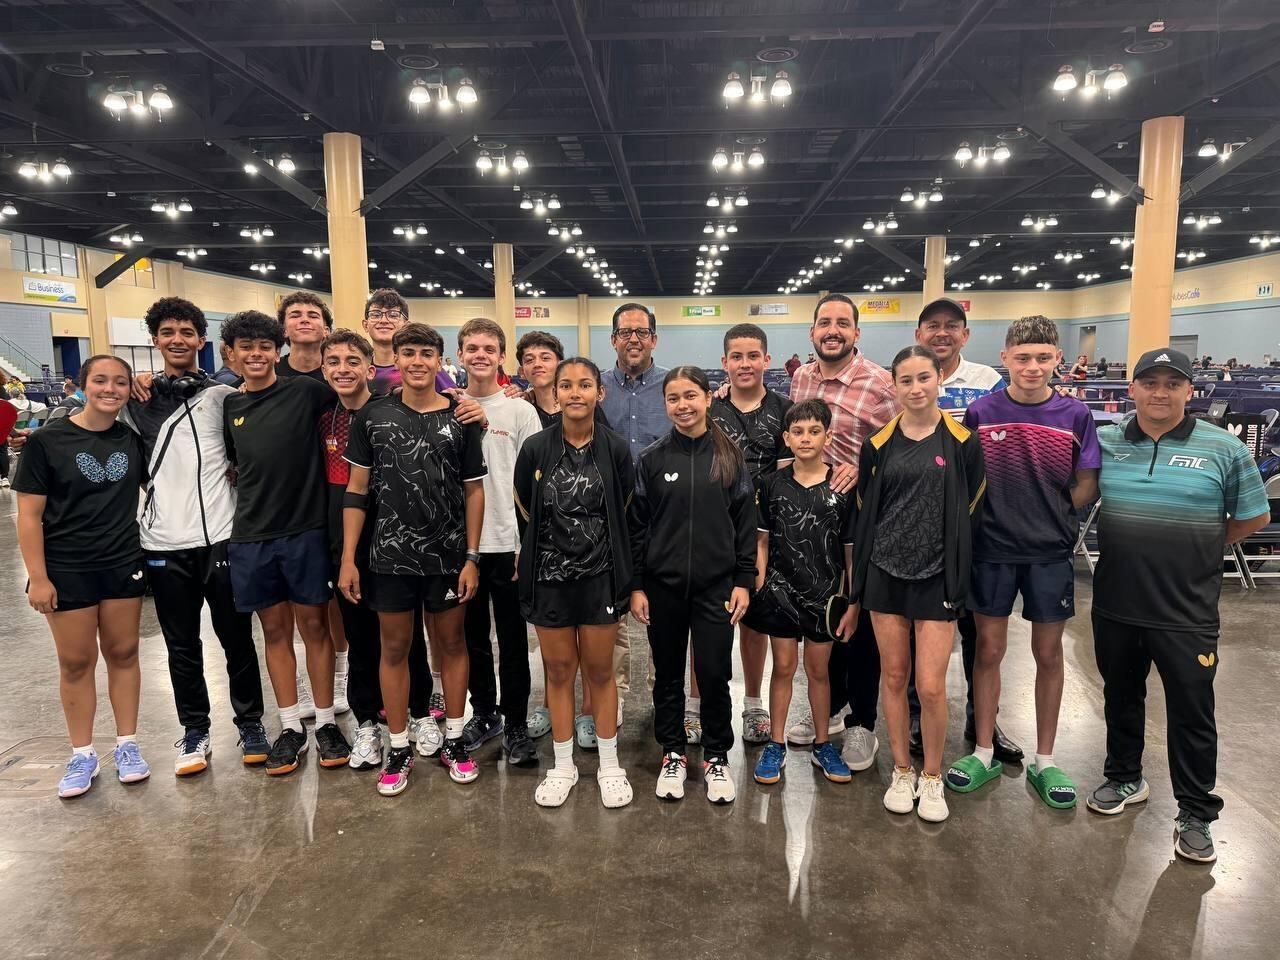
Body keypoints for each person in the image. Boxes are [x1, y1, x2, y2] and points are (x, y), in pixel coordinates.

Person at [1087, 347, 1269, 863]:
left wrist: (1201, 542)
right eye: (1150, 383)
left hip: (1186, 611)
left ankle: (1195, 811)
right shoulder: (1107, 442)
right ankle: (1124, 777)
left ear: (1191, 390)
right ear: (1133, 389)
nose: (1160, 393)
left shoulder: (1223, 449)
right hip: (1116, 602)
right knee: (1121, 696)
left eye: (1172, 384)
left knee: (1192, 712)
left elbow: (1254, 517)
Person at [944, 316, 1100, 809]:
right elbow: (965, 479)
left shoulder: (1075, 414)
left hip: (1049, 554)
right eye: (1023, 357)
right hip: (991, 551)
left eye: (1043, 357)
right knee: (988, 651)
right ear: (1005, 359)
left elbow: (1087, 482)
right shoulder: (981, 412)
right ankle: (984, 750)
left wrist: (1052, 514)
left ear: (1058, 359)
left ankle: (1045, 759)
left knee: (1048, 655)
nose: (1033, 366)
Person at [338, 322, 487, 792]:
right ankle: (399, 746)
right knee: (394, 649)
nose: (417, 361)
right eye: (409, 353)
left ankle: (455, 739)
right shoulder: (373, 416)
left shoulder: (461, 417)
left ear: (440, 360)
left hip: (447, 557)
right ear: (396, 359)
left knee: (453, 645)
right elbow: (356, 490)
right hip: (389, 557)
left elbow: (474, 491)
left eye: (426, 353)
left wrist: (471, 557)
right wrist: (348, 558)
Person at [129, 297, 268, 776]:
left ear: (202, 340)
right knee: (181, 645)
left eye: (187, 332)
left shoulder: (224, 396)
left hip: (223, 538)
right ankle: (194, 731)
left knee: (237, 639)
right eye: (168, 332)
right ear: (155, 340)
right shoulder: (136, 400)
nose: (178, 340)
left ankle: (251, 723)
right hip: (163, 543)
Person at [850, 345, 986, 824]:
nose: (915, 388)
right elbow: (866, 508)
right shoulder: (878, 443)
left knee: (929, 687)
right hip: (885, 574)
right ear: (894, 385)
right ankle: (901, 771)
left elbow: (972, 507)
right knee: (893, 677)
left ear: (939, 379)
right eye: (905, 380)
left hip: (937, 579)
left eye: (924, 377)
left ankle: (931, 776)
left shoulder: (963, 441)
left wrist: (952, 564)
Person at [13, 355, 151, 798]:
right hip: (67, 567)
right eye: (101, 381)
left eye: (120, 382)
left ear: (129, 389)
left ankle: (127, 745)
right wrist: (38, 577)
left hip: (121, 561)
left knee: (124, 652)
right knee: (76, 662)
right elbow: (28, 516)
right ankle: (82, 753)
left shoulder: (131, 441)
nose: (110, 389)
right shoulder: (47, 442)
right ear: (82, 385)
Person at [221, 310, 351, 775]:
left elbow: (356, 396)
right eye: (246, 347)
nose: (256, 355)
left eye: (264, 346)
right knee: (275, 634)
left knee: (315, 629)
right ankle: (291, 726)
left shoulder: (307, 392)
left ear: (277, 352)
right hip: (252, 536)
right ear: (230, 355)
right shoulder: (229, 407)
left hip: (306, 532)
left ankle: (326, 723)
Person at [629, 365, 756, 805]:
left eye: (690, 396)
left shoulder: (730, 457)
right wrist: (637, 585)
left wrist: (743, 580)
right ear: (665, 404)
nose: (682, 405)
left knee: (714, 673)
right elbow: (638, 528)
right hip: (662, 588)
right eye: (673, 398)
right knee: (667, 674)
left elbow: (745, 524)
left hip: (715, 589)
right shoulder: (651, 460)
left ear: (707, 398)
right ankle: (673, 752)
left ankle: (717, 755)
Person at [318, 330, 442, 774]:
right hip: (347, 540)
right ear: (323, 369)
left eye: (353, 361)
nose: (343, 369)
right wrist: (346, 556)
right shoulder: (322, 415)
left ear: (372, 369)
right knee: (360, 636)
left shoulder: (390, 409)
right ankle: (368, 721)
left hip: (398, 541)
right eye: (334, 361)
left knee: (406, 638)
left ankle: (420, 711)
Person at [514, 357, 636, 808]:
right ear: (556, 393)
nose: (575, 393)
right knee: (560, 672)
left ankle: (610, 765)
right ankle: (563, 766)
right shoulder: (535, 448)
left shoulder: (616, 448)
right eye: (566, 385)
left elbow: (625, 510)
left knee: (600, 672)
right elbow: (524, 507)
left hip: (600, 578)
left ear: (599, 393)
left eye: (585, 385)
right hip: (549, 579)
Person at [789, 293, 898, 762]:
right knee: (825, 617)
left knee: (860, 624)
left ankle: (862, 723)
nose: (832, 330)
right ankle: (831, 707)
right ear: (812, 331)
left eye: (842, 323)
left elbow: (903, 447)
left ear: (856, 332)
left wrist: (862, 468)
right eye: (824, 323)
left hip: (862, 516)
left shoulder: (881, 383)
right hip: (815, 521)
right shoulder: (801, 377)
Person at [912, 297, 1022, 762]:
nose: (942, 332)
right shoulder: (909, 376)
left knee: (981, 634)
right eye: (933, 325)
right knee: (921, 629)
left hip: (979, 526)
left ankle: (984, 722)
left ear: (965, 334)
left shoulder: (989, 382)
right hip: (922, 527)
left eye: (951, 325)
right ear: (919, 334)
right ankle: (918, 718)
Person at [749, 400, 859, 786]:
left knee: (818, 671)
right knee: (782, 668)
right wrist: (760, 587)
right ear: (786, 437)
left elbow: (850, 553)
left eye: (814, 431)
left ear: (829, 436)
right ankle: (775, 743)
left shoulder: (842, 487)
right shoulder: (770, 484)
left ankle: (823, 743)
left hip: (825, 599)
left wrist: (852, 602)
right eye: (798, 432)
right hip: (780, 595)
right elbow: (761, 542)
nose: (806, 438)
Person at [455, 318, 541, 765]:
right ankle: (484, 713)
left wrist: (527, 546)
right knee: (472, 639)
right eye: (472, 348)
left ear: (502, 357)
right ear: (460, 354)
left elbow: (534, 484)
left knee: (512, 640)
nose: (481, 355)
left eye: (489, 348)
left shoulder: (521, 412)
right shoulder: (447, 407)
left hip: (510, 544)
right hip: (464, 547)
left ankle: (517, 723)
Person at [709, 322, 793, 746]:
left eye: (753, 356)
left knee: (755, 621)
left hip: (766, 535)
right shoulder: (709, 411)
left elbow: (789, 477)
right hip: (714, 531)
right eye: (737, 357)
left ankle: (754, 703)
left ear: (767, 360)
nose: (745, 364)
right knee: (708, 620)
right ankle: (698, 704)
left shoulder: (785, 410)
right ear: (724, 362)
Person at [597, 303, 669, 744]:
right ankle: (616, 694)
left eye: (642, 332)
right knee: (615, 613)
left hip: (662, 515)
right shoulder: (597, 386)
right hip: (610, 515)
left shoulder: (671, 386)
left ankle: (665, 694)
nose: (634, 339)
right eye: (625, 332)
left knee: (662, 610)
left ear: (654, 339)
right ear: (613, 340)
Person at [362, 288, 457, 396]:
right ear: (365, 325)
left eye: (393, 315)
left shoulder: (424, 368)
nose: (383, 321)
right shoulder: (359, 370)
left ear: (406, 325)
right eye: (375, 315)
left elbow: (456, 398)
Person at [275, 291, 332, 380]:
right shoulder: (270, 371)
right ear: (284, 330)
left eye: (313, 316)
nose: (304, 320)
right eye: (295, 316)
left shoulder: (339, 373)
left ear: (326, 330)